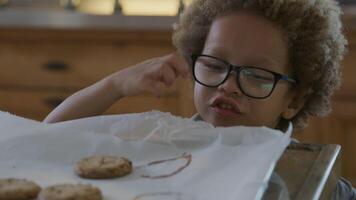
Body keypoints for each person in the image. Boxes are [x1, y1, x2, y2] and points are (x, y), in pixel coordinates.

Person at [44, 0, 355, 199]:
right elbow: (46, 137)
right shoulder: (161, 144)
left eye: (257, 75)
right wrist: (116, 84)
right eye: (215, 66)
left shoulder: (312, 178)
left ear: (295, 99)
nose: (228, 85)